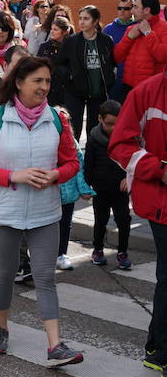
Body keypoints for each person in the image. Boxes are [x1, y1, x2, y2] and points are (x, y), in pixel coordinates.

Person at [0, 56, 84, 367]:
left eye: (48, 81)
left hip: (45, 211)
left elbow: (72, 163)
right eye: (38, 81)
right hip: (4, 210)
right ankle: (2, 328)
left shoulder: (57, 118)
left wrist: (56, 175)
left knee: (46, 277)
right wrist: (13, 176)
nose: (44, 87)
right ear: (19, 83)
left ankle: (55, 345)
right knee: (5, 273)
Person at [107, 71, 167, 377]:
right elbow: (119, 145)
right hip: (162, 202)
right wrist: (160, 169)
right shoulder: (146, 92)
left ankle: (157, 351)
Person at [84, 100, 132, 269]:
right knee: (100, 221)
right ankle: (97, 249)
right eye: (109, 124)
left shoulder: (126, 139)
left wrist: (129, 177)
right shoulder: (93, 140)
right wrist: (85, 187)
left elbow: (132, 162)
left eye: (116, 124)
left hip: (120, 191)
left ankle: (122, 252)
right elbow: (88, 166)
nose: (112, 128)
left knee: (124, 221)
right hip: (101, 190)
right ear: (99, 119)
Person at [58, 5, 114, 139]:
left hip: (98, 92)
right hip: (75, 91)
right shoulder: (71, 40)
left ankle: (92, 157)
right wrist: (69, 76)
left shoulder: (106, 40)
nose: (82, 22)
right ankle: (75, 157)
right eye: (80, 18)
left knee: (94, 129)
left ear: (95, 21)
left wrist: (111, 77)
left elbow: (112, 62)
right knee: (74, 127)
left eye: (86, 19)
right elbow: (60, 63)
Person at [54, 110, 95, 271]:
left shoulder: (72, 143)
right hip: (50, 193)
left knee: (65, 225)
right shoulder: (44, 141)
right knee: (48, 226)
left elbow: (79, 168)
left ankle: (61, 254)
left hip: (68, 194)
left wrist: (84, 189)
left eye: (67, 121)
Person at [114, 0, 167, 98]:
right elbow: (117, 57)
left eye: (136, 7)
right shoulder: (131, 29)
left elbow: (162, 56)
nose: (132, 11)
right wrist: (129, 38)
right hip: (128, 88)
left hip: (152, 90)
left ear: (147, 10)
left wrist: (148, 33)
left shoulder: (165, 28)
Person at [102, 0, 135, 101]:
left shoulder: (139, 27)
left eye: (126, 9)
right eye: (119, 8)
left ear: (133, 9)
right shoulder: (108, 29)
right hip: (114, 80)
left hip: (133, 79)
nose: (122, 11)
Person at [37, 16, 71, 107]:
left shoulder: (71, 47)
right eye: (51, 29)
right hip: (48, 88)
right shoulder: (44, 47)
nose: (52, 31)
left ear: (64, 32)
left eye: (55, 29)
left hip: (65, 90)